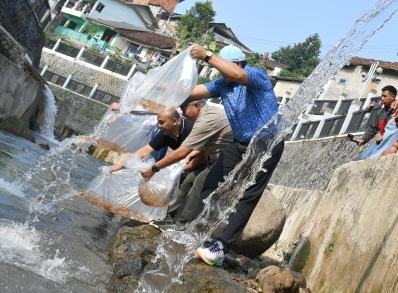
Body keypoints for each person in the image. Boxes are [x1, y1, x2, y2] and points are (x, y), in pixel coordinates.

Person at [183, 44, 282, 267]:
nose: (221, 75)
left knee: (247, 196)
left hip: (266, 143)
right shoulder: (223, 84)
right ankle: (199, 232)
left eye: (223, 69)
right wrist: (162, 89)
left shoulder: (255, 75)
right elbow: (193, 92)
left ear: (236, 64)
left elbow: (237, 75)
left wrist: (207, 55)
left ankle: (222, 246)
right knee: (210, 182)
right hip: (240, 143)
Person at [164, 99, 233, 221]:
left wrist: (158, 168)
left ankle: (183, 222)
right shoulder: (204, 116)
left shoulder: (207, 119)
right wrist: (190, 156)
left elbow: (183, 151)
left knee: (199, 182)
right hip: (214, 159)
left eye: (184, 109)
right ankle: (170, 214)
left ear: (196, 106)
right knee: (188, 180)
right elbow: (202, 146)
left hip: (225, 162)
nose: (183, 114)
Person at [108, 107, 194, 175]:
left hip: (201, 161)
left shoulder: (190, 129)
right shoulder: (165, 134)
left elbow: (201, 155)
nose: (159, 126)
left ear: (175, 121)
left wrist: (176, 170)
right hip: (186, 163)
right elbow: (144, 152)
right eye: (158, 122)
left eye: (162, 122)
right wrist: (119, 166)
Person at [356, 86, 397, 159]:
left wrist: (384, 136)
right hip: (379, 143)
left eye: (385, 96)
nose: (382, 98)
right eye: (382, 96)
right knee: (361, 158)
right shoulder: (380, 113)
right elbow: (373, 128)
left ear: (392, 97)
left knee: (369, 159)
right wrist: (363, 139)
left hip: (391, 143)